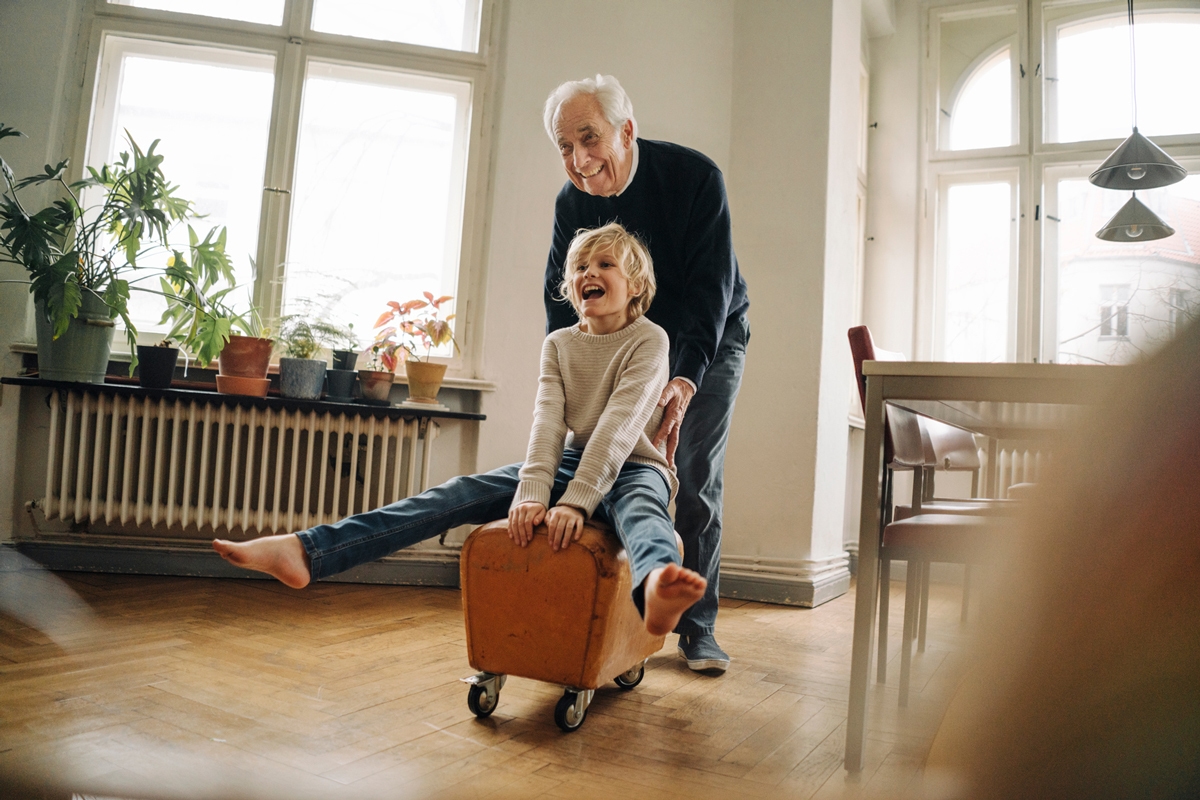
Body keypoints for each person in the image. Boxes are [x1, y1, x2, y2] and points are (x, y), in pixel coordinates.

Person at [213, 223, 707, 637]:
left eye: (605, 265)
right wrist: (534, 493)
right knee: (458, 492)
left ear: (636, 285)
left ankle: (656, 587)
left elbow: (620, 428)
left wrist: (576, 501)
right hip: (579, 461)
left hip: (638, 465)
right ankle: (307, 550)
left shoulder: (650, 339)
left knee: (643, 514)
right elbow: (547, 424)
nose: (589, 274)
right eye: (580, 267)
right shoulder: (558, 344)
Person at [543, 74, 750, 672]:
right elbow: (560, 301)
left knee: (690, 474)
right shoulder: (571, 201)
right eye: (564, 146)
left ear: (626, 132)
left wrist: (683, 380)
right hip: (619, 342)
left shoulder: (695, 178)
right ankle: (616, 616)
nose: (579, 161)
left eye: (589, 139)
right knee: (605, 466)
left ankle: (697, 626)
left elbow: (711, 292)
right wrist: (559, 379)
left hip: (705, 339)